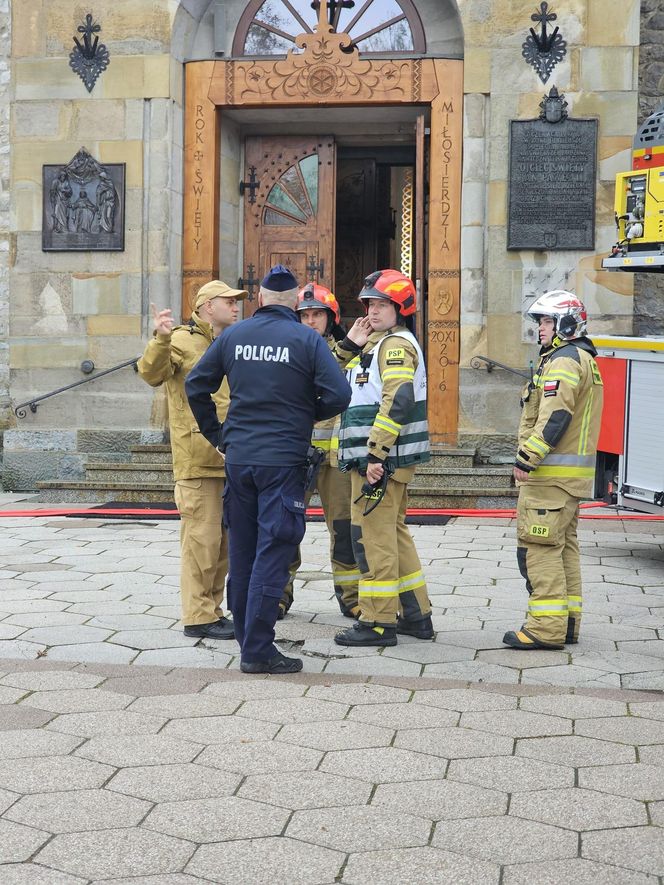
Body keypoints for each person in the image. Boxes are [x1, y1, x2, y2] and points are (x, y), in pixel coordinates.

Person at [186, 265, 351, 674]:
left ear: (259, 298)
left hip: (240, 459)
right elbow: (339, 394)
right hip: (282, 461)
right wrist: (303, 414)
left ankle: (247, 639)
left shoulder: (233, 337)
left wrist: (218, 434)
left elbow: (196, 385)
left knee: (243, 552)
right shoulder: (305, 340)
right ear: (296, 302)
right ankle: (258, 650)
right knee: (273, 550)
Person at [137, 279, 248, 641]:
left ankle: (212, 610)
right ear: (205, 306)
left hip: (229, 457)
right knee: (200, 541)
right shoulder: (182, 340)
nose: (235, 306)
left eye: (237, 301)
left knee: (222, 546)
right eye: (228, 301)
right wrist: (160, 337)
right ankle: (197, 615)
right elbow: (151, 373)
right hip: (197, 459)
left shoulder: (231, 342)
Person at [333, 269, 434, 648]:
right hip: (383, 460)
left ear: (401, 307)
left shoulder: (394, 346)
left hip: (379, 462)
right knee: (393, 534)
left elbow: (399, 398)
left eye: (381, 304)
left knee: (372, 538)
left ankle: (377, 621)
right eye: (370, 304)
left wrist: (376, 453)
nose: (372, 311)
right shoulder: (378, 343)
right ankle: (415, 615)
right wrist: (349, 343)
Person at [503, 290, 604, 651]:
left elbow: (555, 416)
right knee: (564, 549)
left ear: (566, 323)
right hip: (568, 480)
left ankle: (545, 629)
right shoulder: (584, 358)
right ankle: (567, 623)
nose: (540, 329)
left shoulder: (562, 361)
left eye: (546, 321)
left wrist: (527, 457)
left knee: (538, 548)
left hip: (550, 478)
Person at [279, 283, 361, 621]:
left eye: (318, 315)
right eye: (305, 315)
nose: (311, 321)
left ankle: (352, 597)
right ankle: (277, 595)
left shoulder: (358, 352)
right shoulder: (288, 352)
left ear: (331, 318)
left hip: (337, 460)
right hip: (296, 455)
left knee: (344, 530)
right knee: (284, 529)